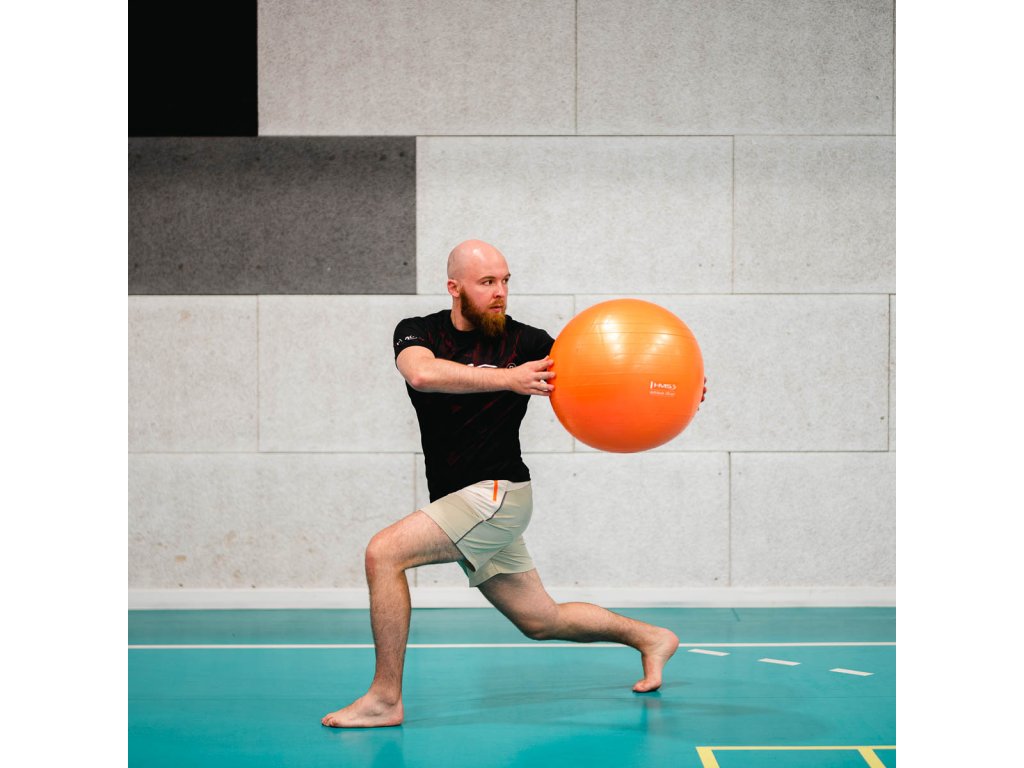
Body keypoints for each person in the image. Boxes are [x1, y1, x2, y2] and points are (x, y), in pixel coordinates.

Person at [322, 239, 681, 728]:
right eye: (487, 282)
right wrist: (508, 379)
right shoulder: (419, 331)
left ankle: (385, 699)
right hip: (464, 500)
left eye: (505, 281)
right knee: (541, 620)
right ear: (454, 287)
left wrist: (671, 389)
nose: (500, 292)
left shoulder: (528, 343)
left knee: (383, 554)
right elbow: (423, 375)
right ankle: (651, 638)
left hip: (496, 494)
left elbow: (612, 374)